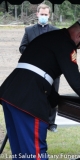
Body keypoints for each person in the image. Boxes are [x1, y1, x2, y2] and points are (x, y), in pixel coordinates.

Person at [0, 18, 80, 159]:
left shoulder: (51, 37)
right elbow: (75, 79)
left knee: (20, 150)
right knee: (35, 152)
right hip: (29, 99)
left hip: (12, 93)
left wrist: (58, 100)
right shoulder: (66, 43)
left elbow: (39, 72)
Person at [19, 3, 59, 132]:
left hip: (52, 70)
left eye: (45, 15)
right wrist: (33, 52)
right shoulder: (29, 30)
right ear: (37, 14)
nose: (43, 16)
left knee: (52, 95)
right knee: (35, 95)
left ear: (49, 15)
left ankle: (51, 123)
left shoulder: (56, 31)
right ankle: (36, 119)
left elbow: (60, 50)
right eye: (41, 14)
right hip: (35, 70)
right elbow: (22, 47)